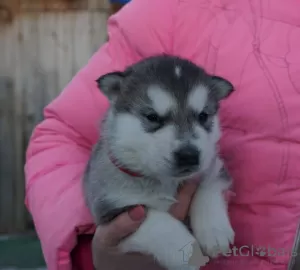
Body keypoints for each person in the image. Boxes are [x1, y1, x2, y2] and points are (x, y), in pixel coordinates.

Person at [24, 0, 300, 270]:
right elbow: (61, 137)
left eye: (203, 117)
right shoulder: (169, 12)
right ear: (115, 100)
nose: (188, 145)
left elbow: (215, 176)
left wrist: (208, 203)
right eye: (154, 119)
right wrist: (93, 254)